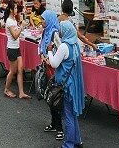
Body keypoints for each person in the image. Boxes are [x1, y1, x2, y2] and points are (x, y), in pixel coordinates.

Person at [46, 20, 86, 148]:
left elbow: (54, 64)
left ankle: (69, 144)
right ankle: (77, 140)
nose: (60, 32)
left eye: (61, 30)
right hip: (73, 83)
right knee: (73, 114)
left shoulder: (64, 47)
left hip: (66, 86)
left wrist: (50, 51)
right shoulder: (75, 44)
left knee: (68, 115)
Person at [39, 10, 64, 141]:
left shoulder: (55, 33)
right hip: (47, 70)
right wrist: (43, 56)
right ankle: (54, 123)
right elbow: (40, 46)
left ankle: (60, 128)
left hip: (55, 71)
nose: (42, 21)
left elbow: (60, 51)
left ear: (49, 20)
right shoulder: (45, 32)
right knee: (50, 98)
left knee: (56, 99)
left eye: (43, 19)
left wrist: (50, 58)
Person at [4, 1, 31, 99]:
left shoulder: (14, 20)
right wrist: (22, 26)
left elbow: (16, 32)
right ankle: (6, 89)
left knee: (20, 69)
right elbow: (15, 36)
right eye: (15, 8)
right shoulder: (9, 21)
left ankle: (21, 92)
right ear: (11, 10)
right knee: (12, 71)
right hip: (12, 48)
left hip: (16, 47)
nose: (16, 10)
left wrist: (21, 25)